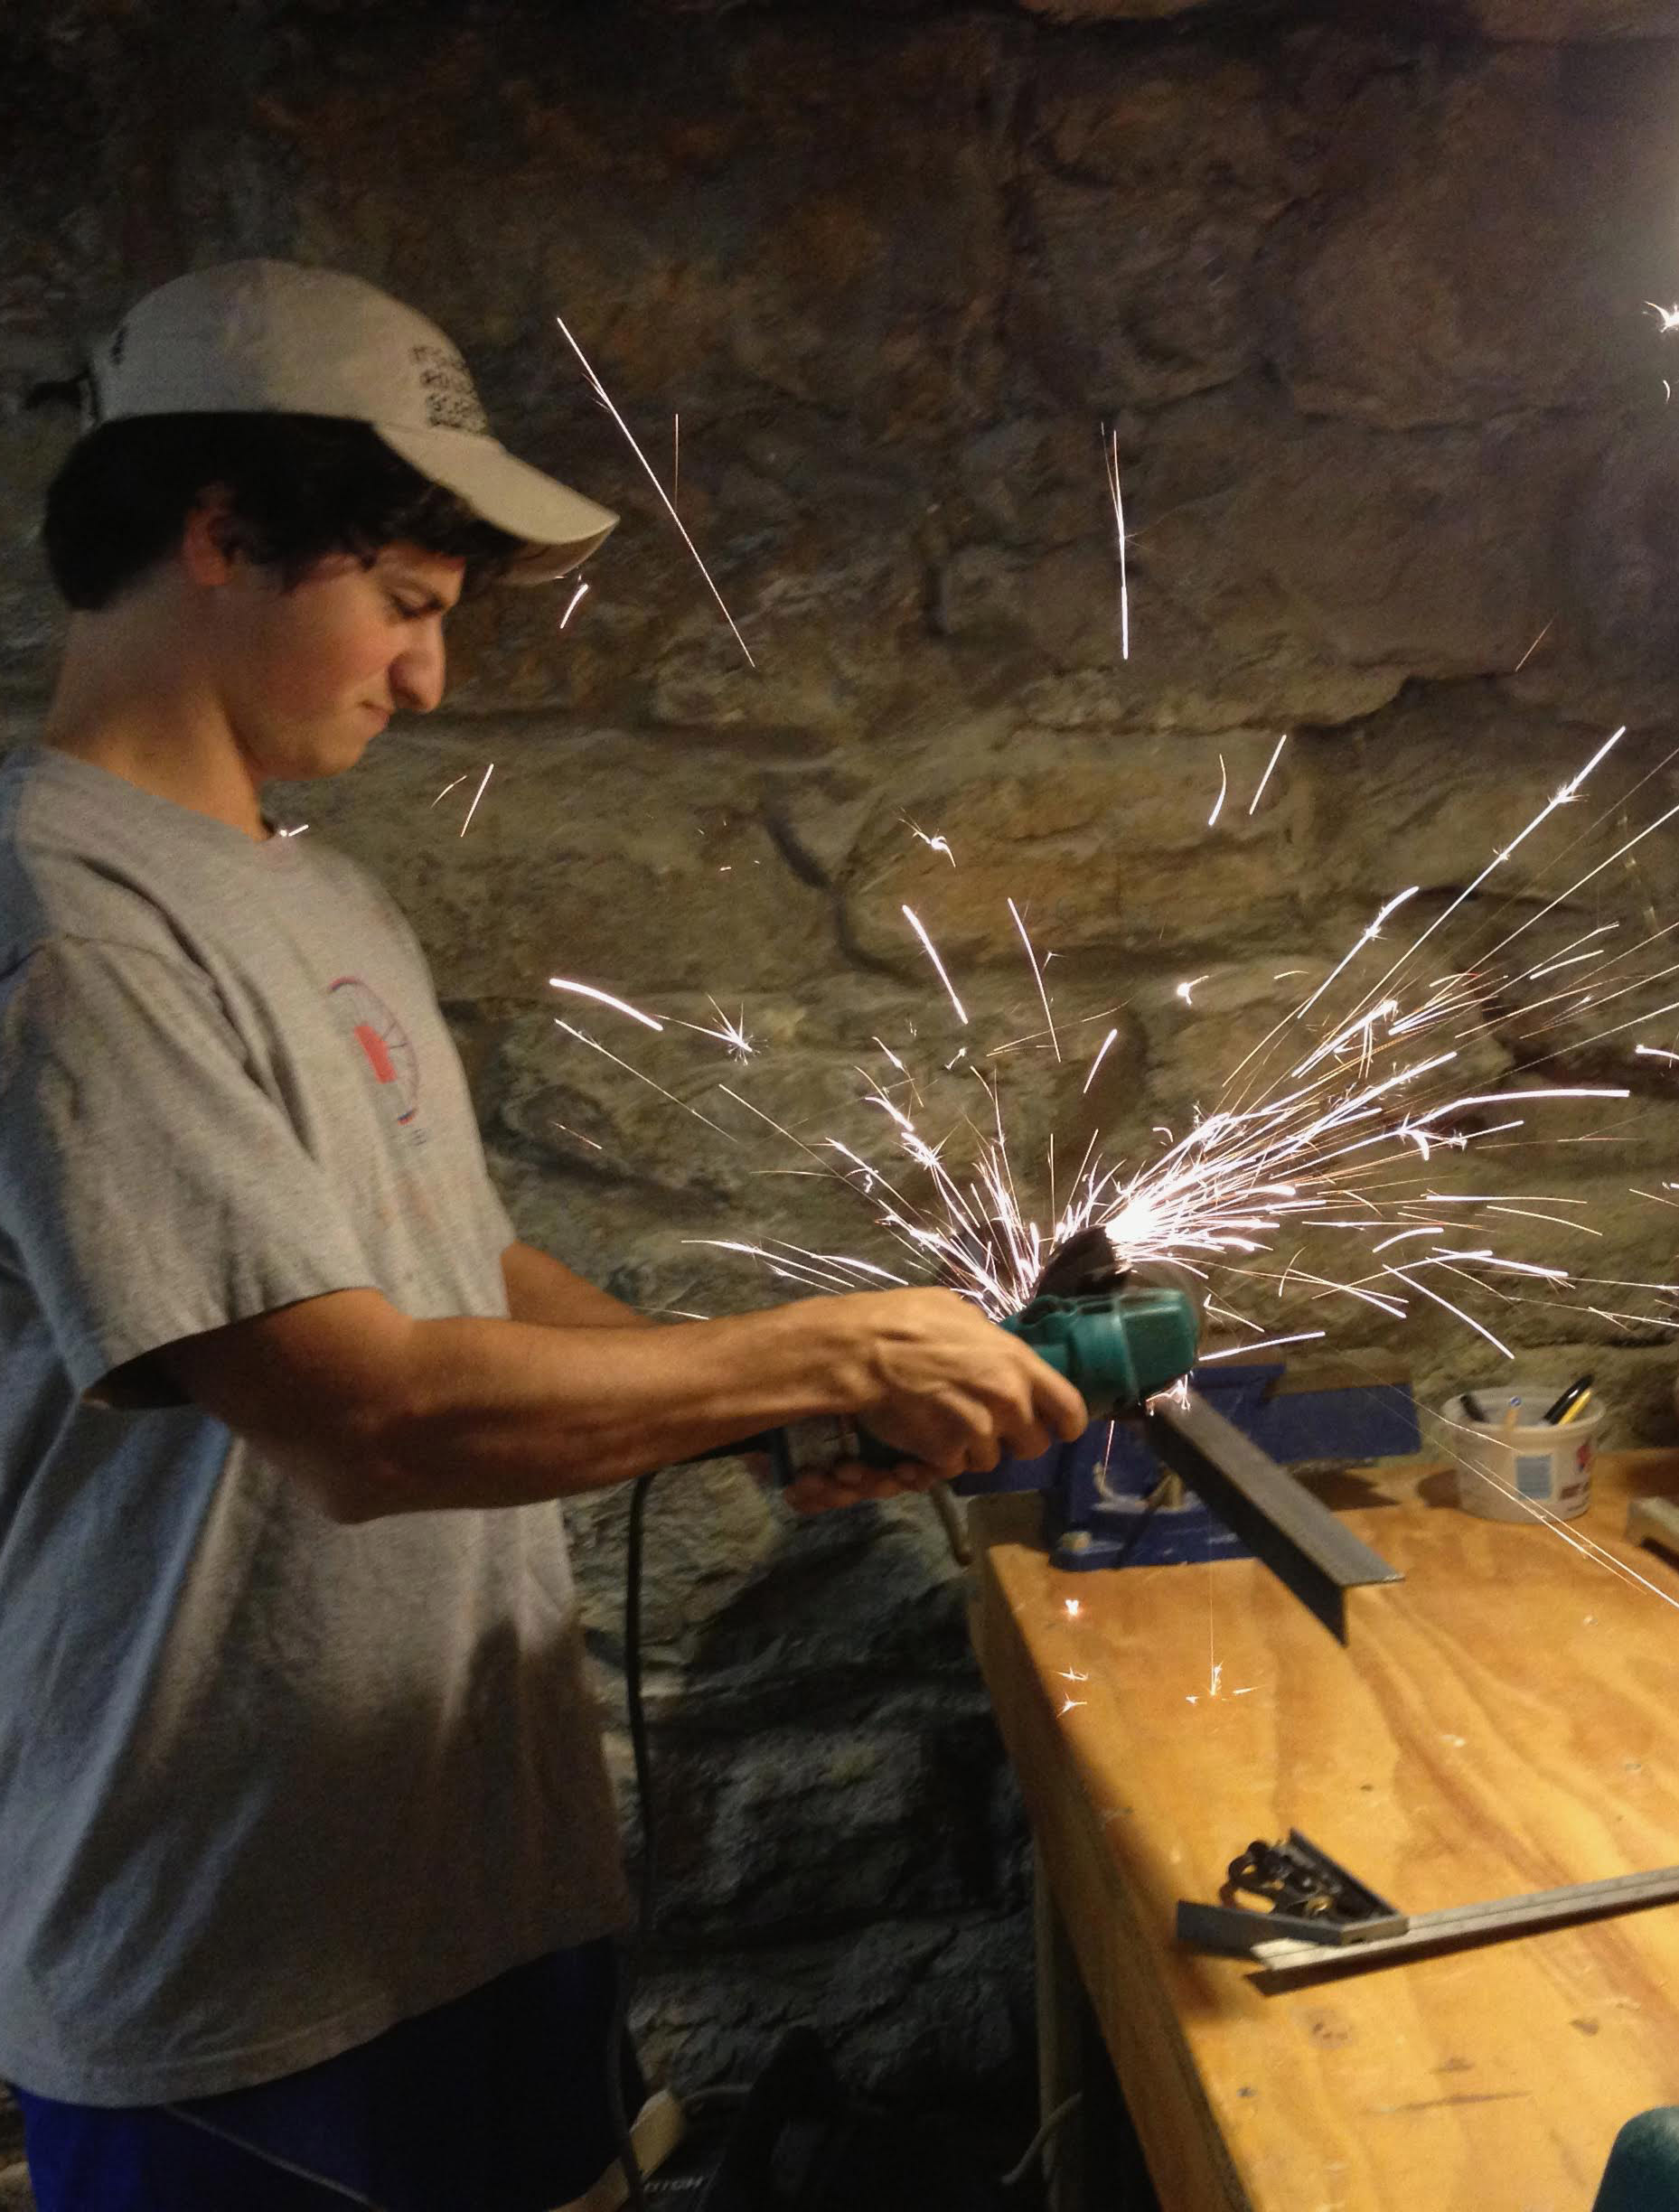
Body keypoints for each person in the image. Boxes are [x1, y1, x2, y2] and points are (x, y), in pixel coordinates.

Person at [0, 260, 1087, 2212]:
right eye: (406, 609)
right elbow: (368, 1423)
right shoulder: (66, 929)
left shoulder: (318, 900)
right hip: (232, 1949)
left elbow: (469, 1279)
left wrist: (738, 1418)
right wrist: (831, 1350)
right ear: (222, 535)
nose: (429, 680)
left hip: (478, 1882)